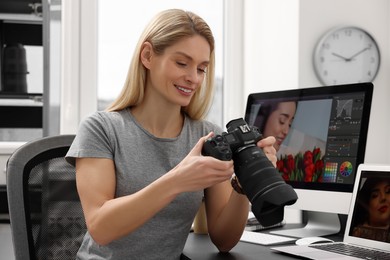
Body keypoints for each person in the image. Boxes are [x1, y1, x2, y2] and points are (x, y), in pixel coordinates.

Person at [65, 9, 277, 260]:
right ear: (147, 56)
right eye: (181, 63)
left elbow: (224, 240)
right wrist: (178, 180)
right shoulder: (101, 128)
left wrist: (243, 185)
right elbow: (100, 228)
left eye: (202, 68)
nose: (193, 78)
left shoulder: (207, 136)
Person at [352, 177, 390, 242]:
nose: (383, 197)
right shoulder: (356, 233)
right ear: (366, 203)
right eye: (375, 195)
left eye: (388, 191)